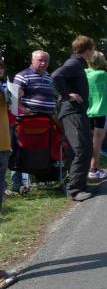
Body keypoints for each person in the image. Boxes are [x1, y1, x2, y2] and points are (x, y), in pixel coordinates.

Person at [52, 36, 95, 201]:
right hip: (72, 111)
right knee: (82, 149)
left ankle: (79, 185)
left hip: (75, 111)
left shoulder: (77, 64)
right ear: (87, 50)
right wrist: (67, 94)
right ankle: (75, 190)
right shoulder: (74, 63)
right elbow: (56, 76)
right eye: (92, 49)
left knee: (77, 149)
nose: (93, 53)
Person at [9, 50, 57, 192]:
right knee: (21, 149)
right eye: (40, 60)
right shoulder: (23, 75)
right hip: (28, 121)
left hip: (46, 121)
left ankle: (42, 179)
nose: (43, 63)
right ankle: (17, 184)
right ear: (32, 60)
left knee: (41, 150)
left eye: (46, 61)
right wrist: (23, 109)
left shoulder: (48, 77)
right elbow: (13, 97)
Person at [84, 51, 107, 180]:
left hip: (87, 111)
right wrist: (106, 64)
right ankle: (93, 170)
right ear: (101, 62)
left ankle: (92, 168)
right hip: (101, 111)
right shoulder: (101, 74)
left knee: (89, 142)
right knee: (97, 143)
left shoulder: (84, 72)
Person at [0, 59, 13, 209]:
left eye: (1, 67)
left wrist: (16, 96)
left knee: (1, 176)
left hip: (4, 139)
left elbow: (14, 110)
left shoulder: (6, 87)